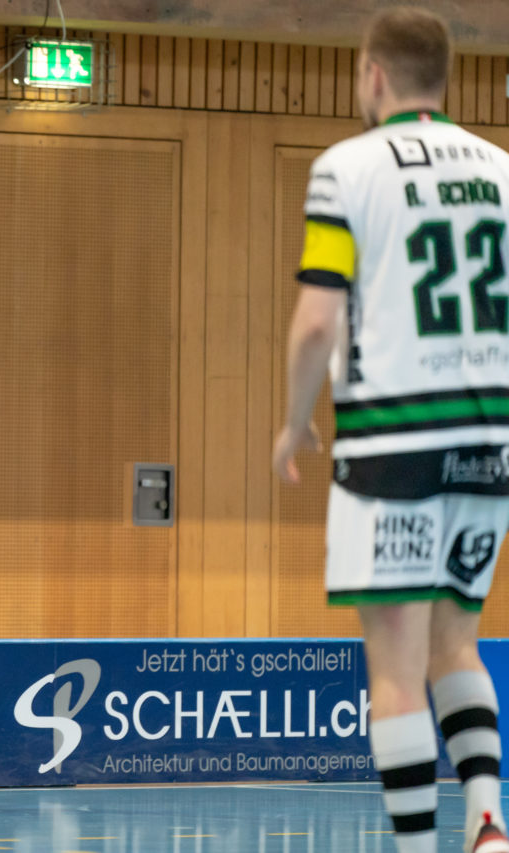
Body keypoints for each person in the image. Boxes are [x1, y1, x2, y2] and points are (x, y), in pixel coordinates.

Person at [273, 8, 509, 852]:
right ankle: (487, 817)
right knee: (460, 642)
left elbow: (313, 323)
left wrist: (296, 421)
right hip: (490, 438)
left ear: (373, 75)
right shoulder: (501, 169)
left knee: (397, 666)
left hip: (391, 438)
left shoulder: (348, 167)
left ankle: (416, 845)